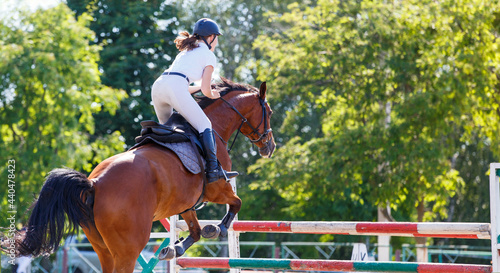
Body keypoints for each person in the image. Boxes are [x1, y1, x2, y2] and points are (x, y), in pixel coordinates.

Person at [151, 18, 238, 183]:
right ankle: (213, 170)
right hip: (175, 87)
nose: (217, 42)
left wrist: (199, 88)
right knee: (205, 125)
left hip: (158, 87)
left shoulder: (186, 51)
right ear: (211, 37)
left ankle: (165, 165)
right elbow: (206, 91)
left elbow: (180, 85)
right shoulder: (208, 55)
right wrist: (215, 95)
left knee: (167, 129)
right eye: (217, 38)